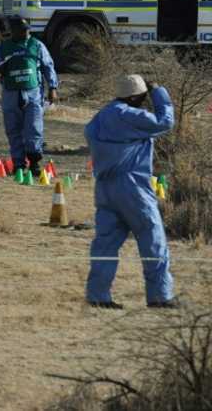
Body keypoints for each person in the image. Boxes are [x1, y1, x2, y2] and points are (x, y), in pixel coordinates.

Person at [84, 75, 178, 310]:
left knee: (105, 245)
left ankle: (98, 296)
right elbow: (165, 122)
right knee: (152, 239)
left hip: (105, 186)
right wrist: (159, 93)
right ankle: (160, 296)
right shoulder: (130, 116)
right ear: (136, 97)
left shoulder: (101, 116)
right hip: (133, 186)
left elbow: (88, 133)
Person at [0, 16, 58, 177]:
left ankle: (35, 162)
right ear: (13, 31)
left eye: (27, 30)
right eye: (22, 31)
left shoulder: (37, 45)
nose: (26, 33)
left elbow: (48, 66)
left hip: (34, 94)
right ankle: (18, 164)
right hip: (10, 95)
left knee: (34, 128)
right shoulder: (3, 47)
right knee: (13, 130)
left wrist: (53, 87)